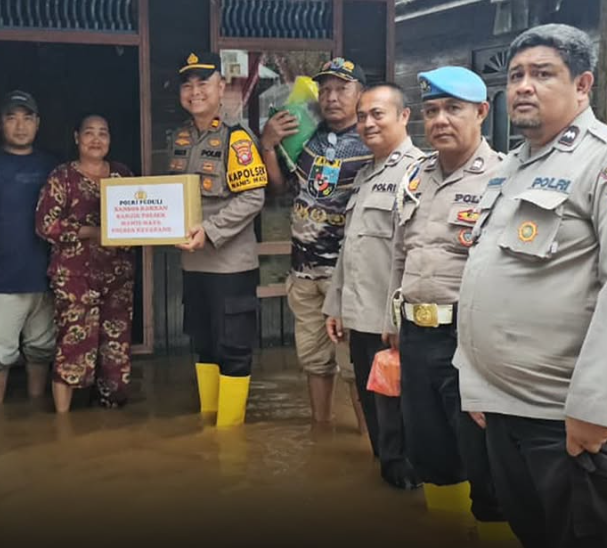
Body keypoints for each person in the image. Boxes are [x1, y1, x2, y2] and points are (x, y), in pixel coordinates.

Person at [455, 24, 607, 548]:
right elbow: (483, 276)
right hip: (500, 406)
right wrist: (476, 380)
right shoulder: (510, 167)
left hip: (561, 416)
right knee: (530, 533)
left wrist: (597, 409)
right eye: (516, 74)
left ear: (583, 86)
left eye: (543, 74)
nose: (523, 85)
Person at [384, 66, 506, 530]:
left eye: (453, 109)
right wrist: (391, 321)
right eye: (432, 110)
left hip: (471, 338)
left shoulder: (503, 179)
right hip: (415, 333)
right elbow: (400, 254)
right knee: (430, 450)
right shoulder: (414, 176)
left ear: (481, 112)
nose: (440, 120)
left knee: (484, 455)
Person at [260, 57, 373, 424]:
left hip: (348, 275)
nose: (331, 97)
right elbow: (281, 191)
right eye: (324, 90)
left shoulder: (373, 142)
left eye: (342, 89)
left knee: (355, 365)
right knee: (314, 361)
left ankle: (369, 442)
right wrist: (268, 145)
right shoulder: (307, 140)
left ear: (360, 93)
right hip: (303, 271)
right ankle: (320, 434)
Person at [323, 83, 421, 490]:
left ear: (404, 116)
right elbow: (351, 251)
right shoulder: (365, 175)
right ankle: (389, 488)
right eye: (362, 116)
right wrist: (334, 305)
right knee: (377, 415)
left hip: (392, 325)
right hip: (360, 319)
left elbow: (414, 258)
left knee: (400, 417)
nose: (367, 123)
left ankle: (409, 494)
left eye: (377, 114)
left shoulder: (418, 173)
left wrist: (395, 323)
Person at [167, 51, 267, 427]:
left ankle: (229, 437)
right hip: (193, 264)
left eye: (203, 83)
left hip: (230, 265)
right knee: (204, 344)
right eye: (187, 84)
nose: (194, 92)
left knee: (233, 349)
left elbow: (254, 197)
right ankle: (209, 422)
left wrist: (209, 231)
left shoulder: (236, 138)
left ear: (221, 86)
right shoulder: (180, 137)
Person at [35, 115, 135, 413]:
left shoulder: (122, 175)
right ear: (76, 137)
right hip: (74, 276)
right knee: (73, 346)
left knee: (115, 350)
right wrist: (93, 232)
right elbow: (45, 225)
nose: (96, 139)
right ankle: (62, 425)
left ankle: (109, 417)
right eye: (89, 133)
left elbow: (142, 216)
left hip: (118, 277)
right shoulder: (62, 177)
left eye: (102, 133)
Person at [0, 90, 58, 406]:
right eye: (12, 117)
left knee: (42, 348)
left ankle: (33, 410)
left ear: (38, 123)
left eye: (27, 117)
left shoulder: (52, 165)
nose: (20, 126)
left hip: (45, 276)